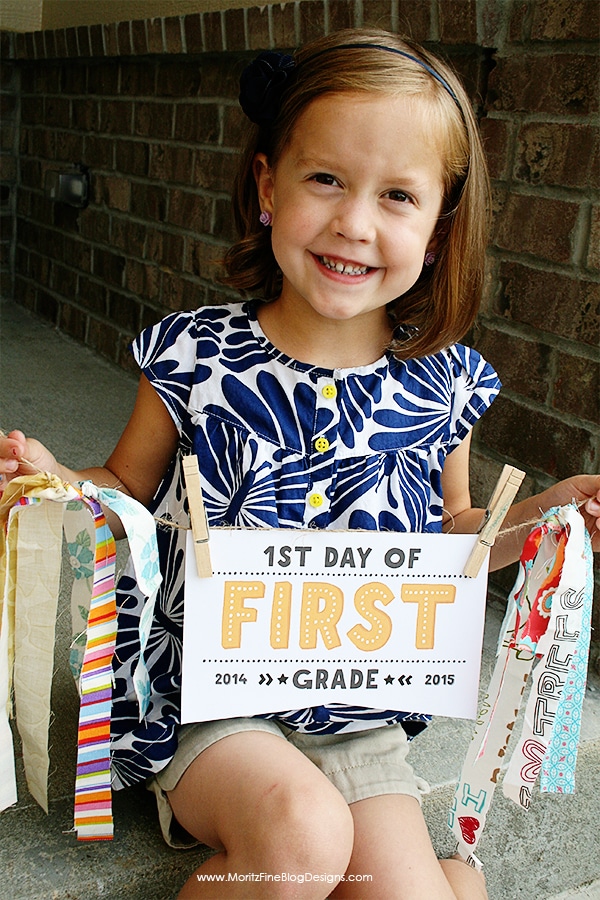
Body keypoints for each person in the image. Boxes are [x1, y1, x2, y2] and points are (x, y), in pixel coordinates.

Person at [1, 27, 599, 900]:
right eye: (325, 178)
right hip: (212, 697)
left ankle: (450, 883)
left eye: (398, 195)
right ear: (268, 184)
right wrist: (50, 480)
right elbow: (125, 486)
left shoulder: (444, 384)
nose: (355, 222)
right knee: (302, 842)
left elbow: (457, 532)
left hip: (359, 714)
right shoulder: (195, 357)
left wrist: (543, 518)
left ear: (438, 230)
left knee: (407, 897)